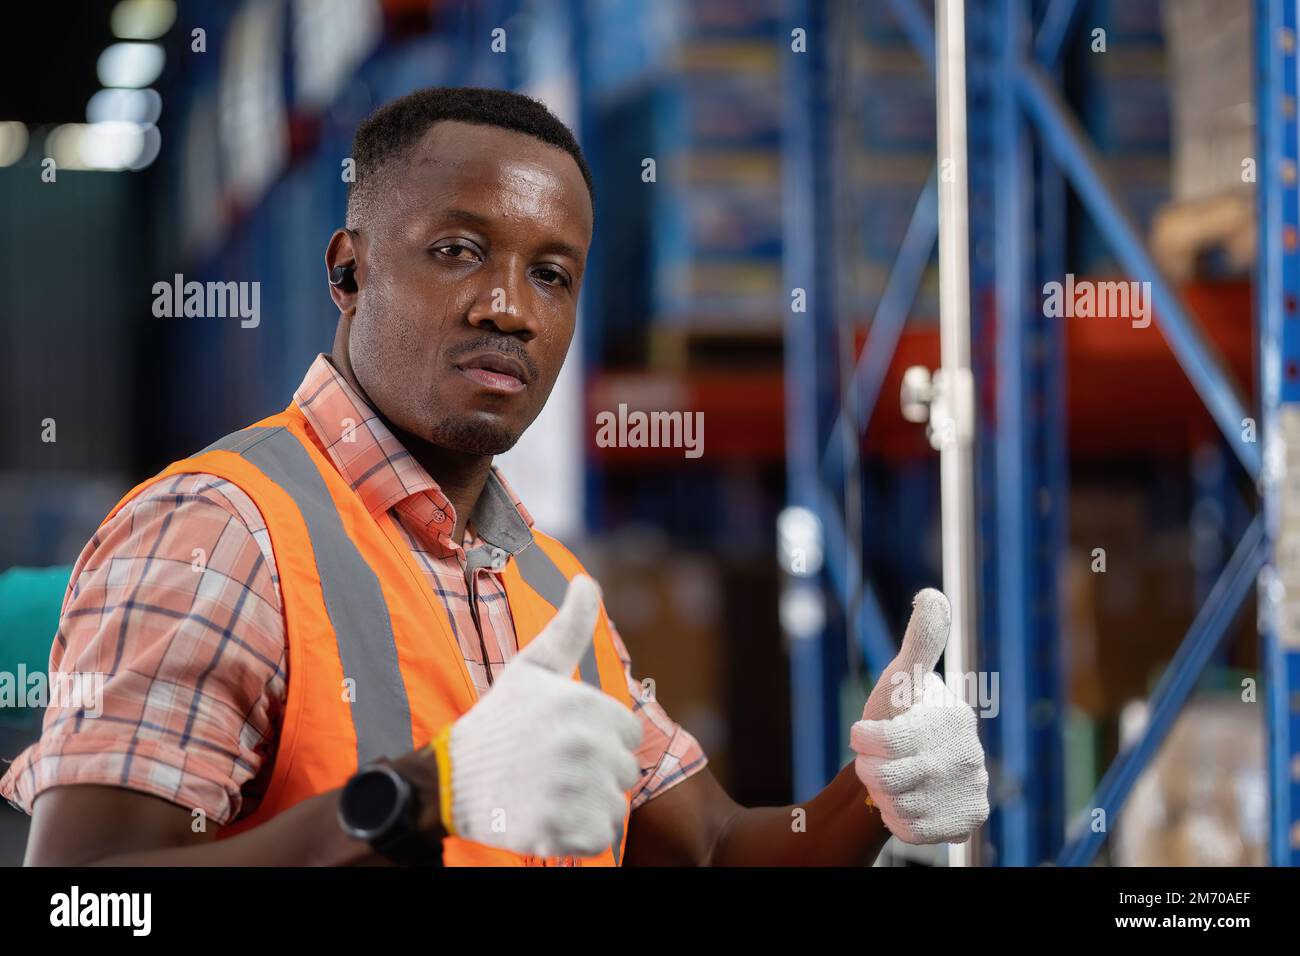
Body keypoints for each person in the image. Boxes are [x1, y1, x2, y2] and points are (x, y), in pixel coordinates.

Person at [2, 87, 988, 866]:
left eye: (551, 273)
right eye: (460, 250)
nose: (509, 307)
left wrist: (874, 793)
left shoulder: (550, 590)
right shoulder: (220, 529)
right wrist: (419, 800)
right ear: (349, 271)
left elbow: (713, 847)